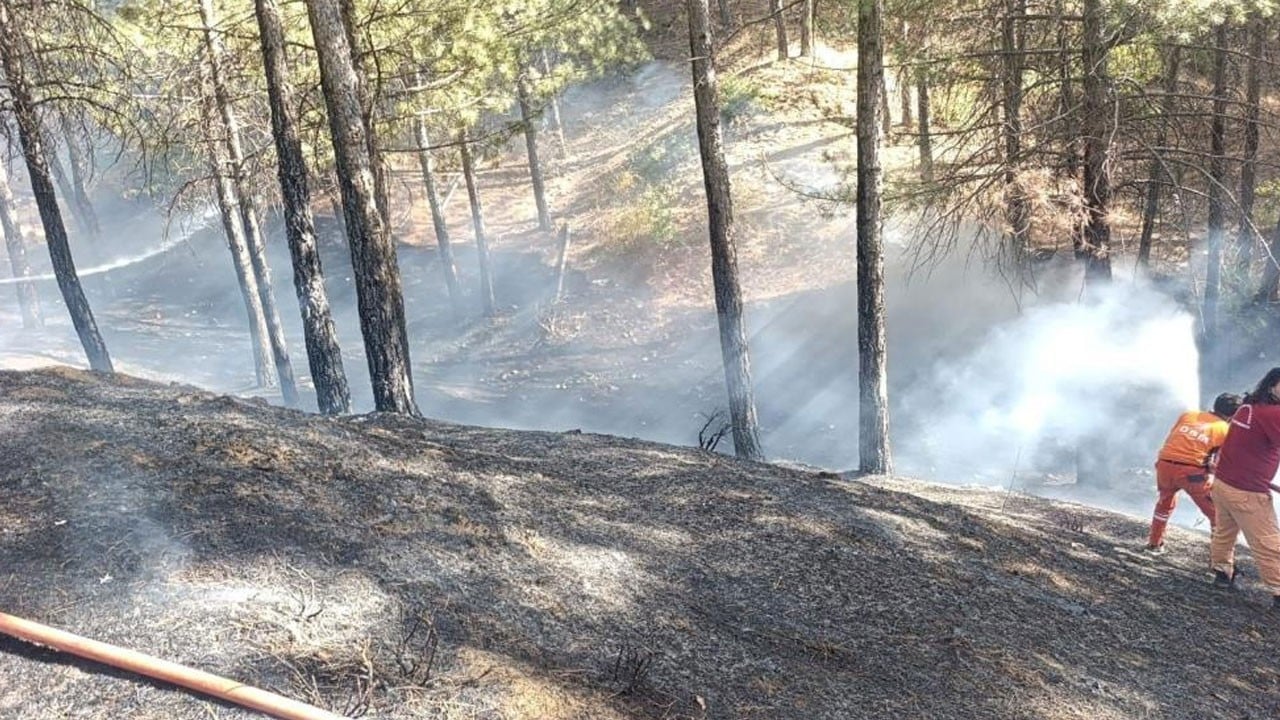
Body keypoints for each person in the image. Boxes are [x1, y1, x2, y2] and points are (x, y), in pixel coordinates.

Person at [1210, 368, 1280, 609]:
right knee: (1270, 544)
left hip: (1222, 483)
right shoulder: (1273, 414)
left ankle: (1221, 575)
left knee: (1224, 533)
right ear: (1272, 385)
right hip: (1248, 492)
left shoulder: (1246, 407)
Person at [1146, 392, 1241, 552]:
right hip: (1191, 473)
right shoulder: (1225, 430)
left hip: (1164, 465)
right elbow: (1219, 462)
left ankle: (1154, 543)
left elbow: (1175, 438)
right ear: (1233, 415)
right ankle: (1219, 559)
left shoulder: (1188, 415)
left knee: (1164, 504)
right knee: (1218, 516)